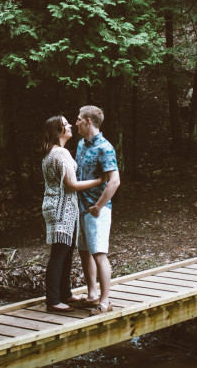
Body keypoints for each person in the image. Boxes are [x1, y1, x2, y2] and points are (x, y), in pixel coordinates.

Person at [40, 115, 102, 312]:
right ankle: (53, 300)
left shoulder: (49, 153)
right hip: (62, 207)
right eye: (65, 124)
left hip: (53, 205)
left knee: (64, 252)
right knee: (59, 254)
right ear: (58, 130)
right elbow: (72, 185)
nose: (69, 126)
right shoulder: (61, 154)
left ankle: (64, 294)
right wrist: (100, 181)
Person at [74, 104, 120, 316]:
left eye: (79, 120)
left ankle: (105, 301)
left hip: (97, 211)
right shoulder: (81, 145)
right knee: (85, 251)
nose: (76, 124)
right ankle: (92, 295)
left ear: (88, 121)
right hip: (81, 208)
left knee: (99, 253)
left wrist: (98, 206)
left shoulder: (105, 147)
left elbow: (114, 181)